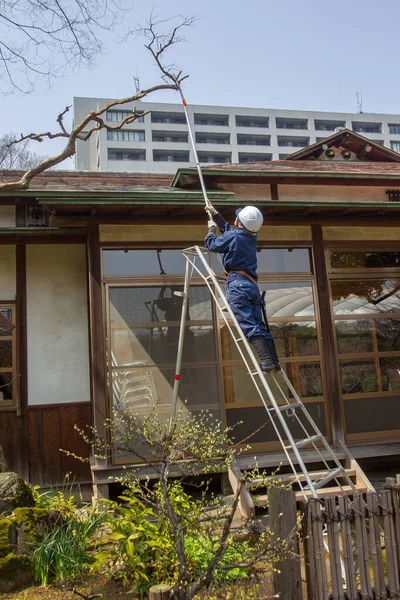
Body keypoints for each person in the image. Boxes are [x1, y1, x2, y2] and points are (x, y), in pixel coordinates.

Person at [204, 204, 280, 372]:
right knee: (259, 325)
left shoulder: (235, 237)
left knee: (248, 325)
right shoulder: (250, 237)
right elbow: (227, 230)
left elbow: (213, 244)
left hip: (238, 284)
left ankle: (266, 362)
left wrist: (210, 230)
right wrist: (216, 215)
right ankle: (273, 362)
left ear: (240, 223)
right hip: (251, 285)